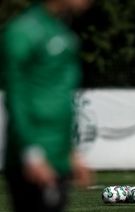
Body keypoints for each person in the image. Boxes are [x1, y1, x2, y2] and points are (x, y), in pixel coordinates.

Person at [1, 0, 93, 211]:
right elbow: (16, 99)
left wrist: (71, 151)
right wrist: (31, 154)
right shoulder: (22, 31)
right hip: (32, 159)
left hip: (59, 157)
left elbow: (63, 100)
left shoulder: (65, 34)